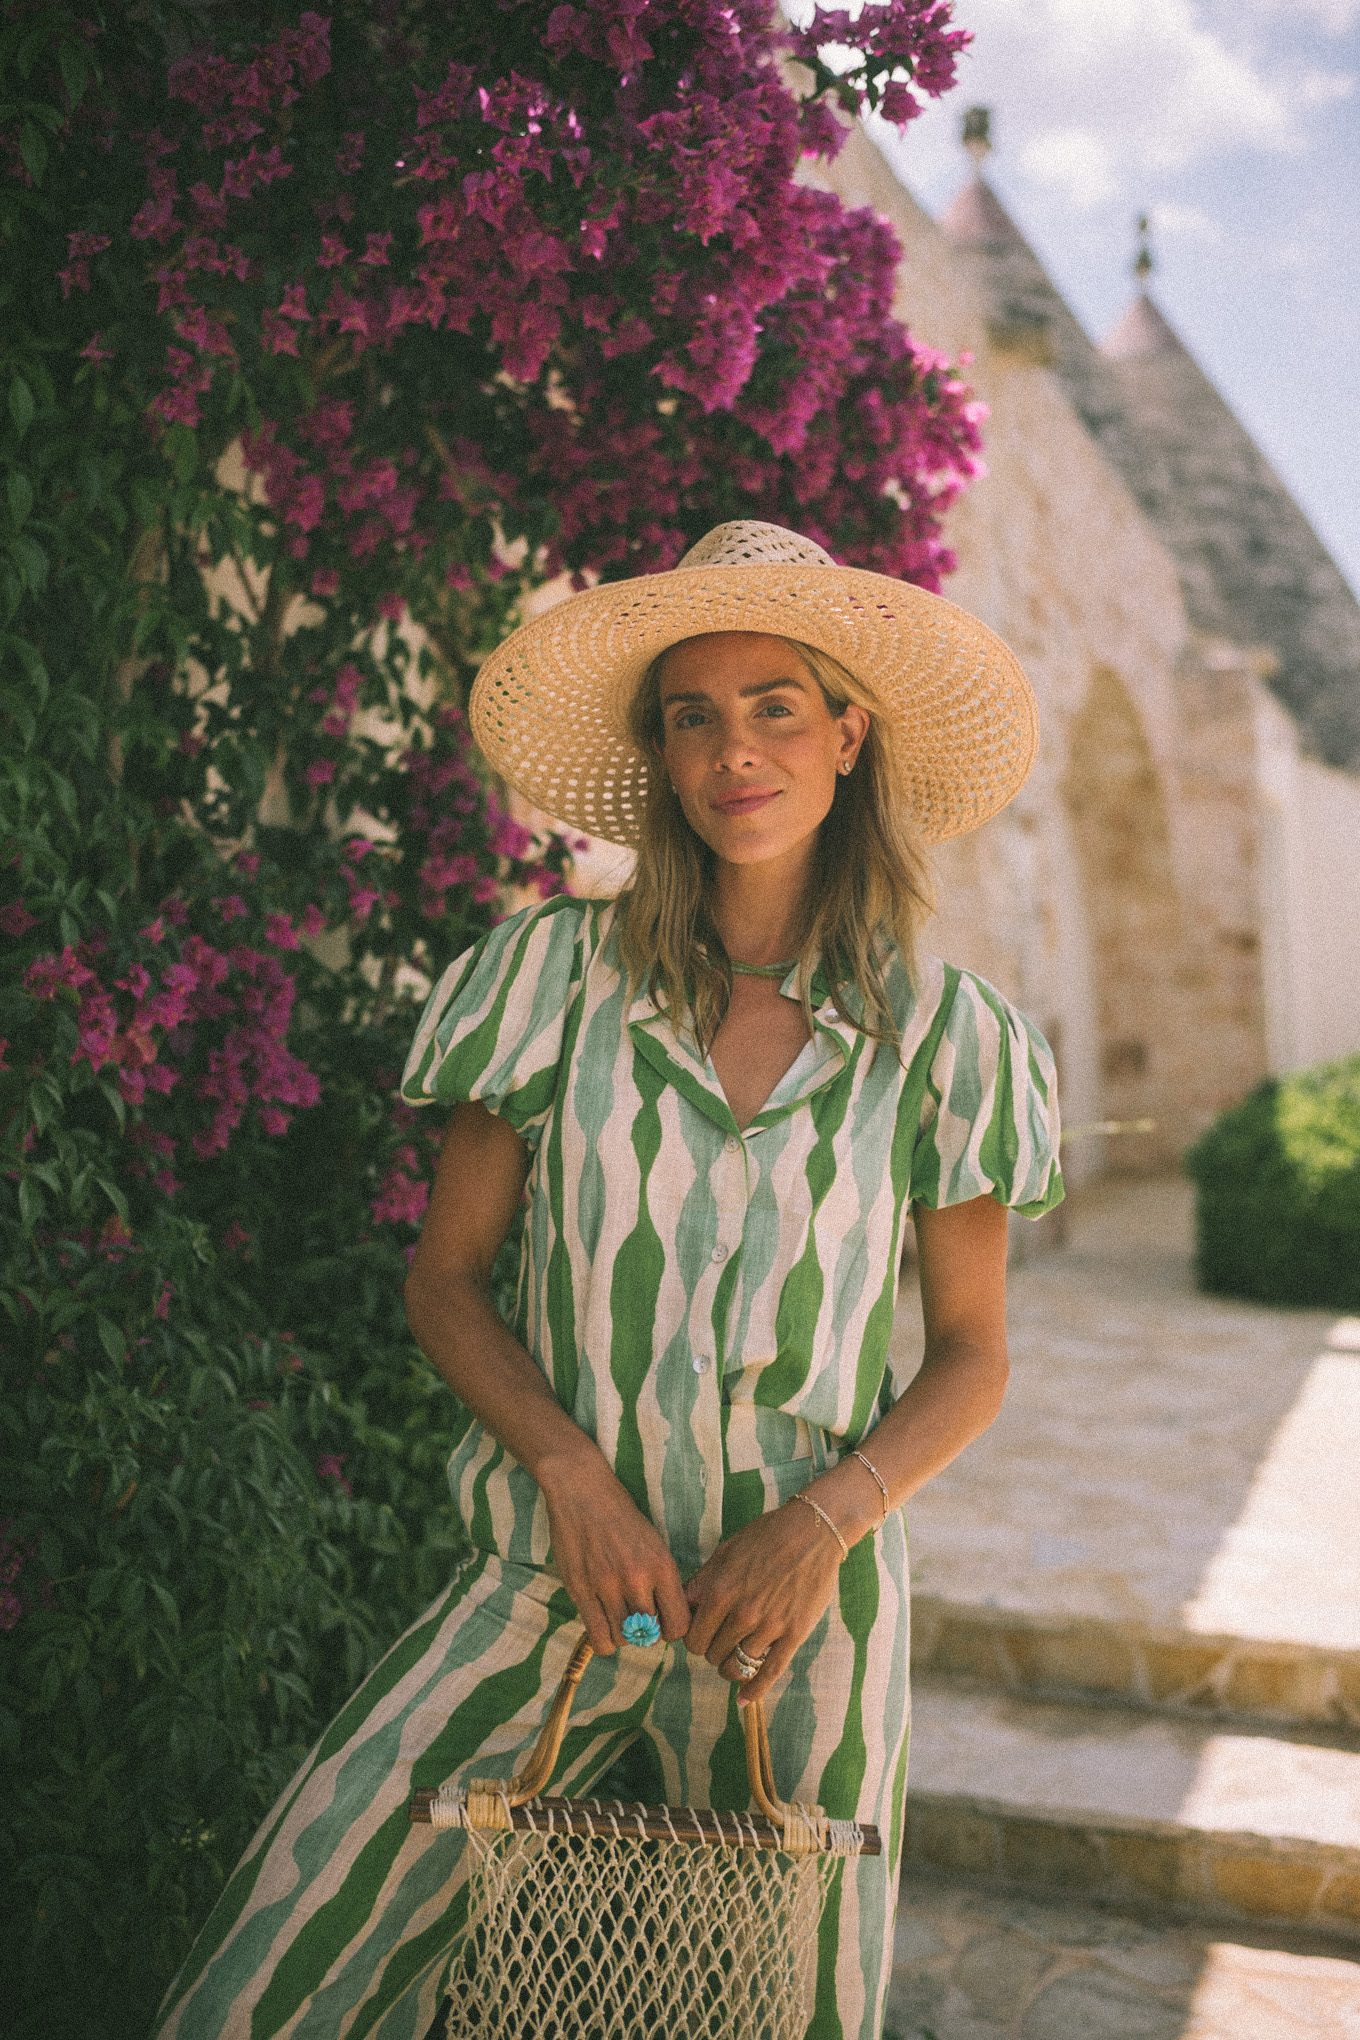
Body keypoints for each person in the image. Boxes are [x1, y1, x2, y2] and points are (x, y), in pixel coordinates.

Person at [155, 521, 1062, 2040]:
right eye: (691, 714)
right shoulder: (542, 982)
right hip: (539, 1575)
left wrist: (817, 1527)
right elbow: (447, 1282)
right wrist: (572, 1477)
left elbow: (973, 1353)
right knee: (284, 1958)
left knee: (781, 2015)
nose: (733, 750)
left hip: (804, 1616)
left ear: (849, 732)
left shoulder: (950, 1036)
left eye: (777, 704)